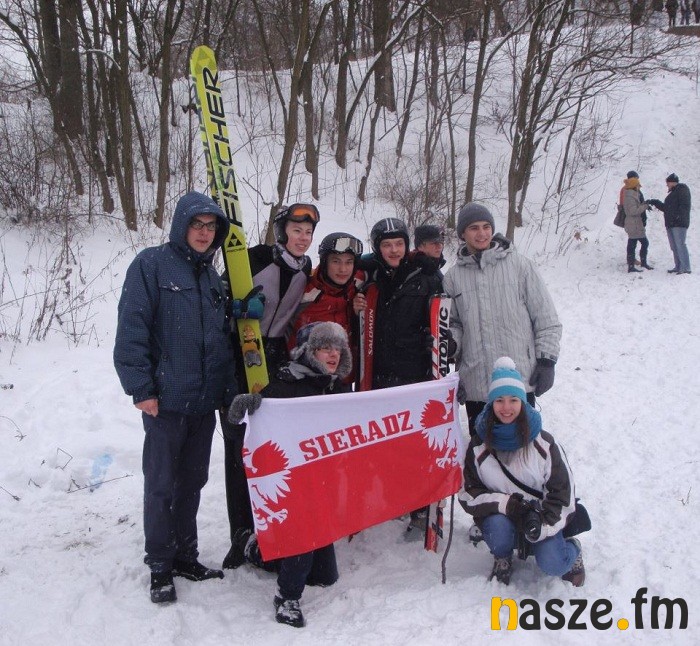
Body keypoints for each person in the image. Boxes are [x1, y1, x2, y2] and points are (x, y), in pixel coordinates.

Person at [113, 191, 236, 604]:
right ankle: (160, 565)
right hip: (165, 401)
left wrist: (225, 390)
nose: (204, 233)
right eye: (197, 225)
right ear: (181, 225)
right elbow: (132, 327)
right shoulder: (151, 264)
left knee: (193, 483)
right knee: (161, 485)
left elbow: (217, 340)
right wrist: (141, 388)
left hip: (203, 403)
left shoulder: (211, 278)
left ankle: (185, 555)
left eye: (211, 227)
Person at [227, 321, 352, 627]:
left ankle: (255, 548)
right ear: (309, 352)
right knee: (304, 531)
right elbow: (249, 436)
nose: (333, 354)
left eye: (337, 348)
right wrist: (240, 414)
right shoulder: (285, 384)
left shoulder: (337, 388)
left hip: (321, 486)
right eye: (325, 348)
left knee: (324, 576)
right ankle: (287, 597)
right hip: (293, 489)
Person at [222, 203, 318, 569]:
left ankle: (269, 528)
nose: (302, 238)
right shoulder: (254, 258)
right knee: (238, 448)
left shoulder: (305, 268)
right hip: (239, 354)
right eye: (296, 231)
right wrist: (235, 309)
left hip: (274, 359)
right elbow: (217, 297)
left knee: (268, 448)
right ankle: (240, 534)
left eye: (308, 233)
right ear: (282, 232)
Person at [459, 357, 585, 587]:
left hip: (542, 517)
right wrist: (507, 505)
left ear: (523, 402)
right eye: (499, 400)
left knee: (552, 563)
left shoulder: (544, 444)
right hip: (503, 516)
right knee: (497, 530)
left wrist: (542, 524)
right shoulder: (478, 446)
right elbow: (469, 493)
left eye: (513, 400)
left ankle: (572, 551)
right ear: (491, 403)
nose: (506, 408)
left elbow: (562, 494)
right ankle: (502, 556)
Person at [443, 203, 562, 437]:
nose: (482, 233)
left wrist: (547, 361)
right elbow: (454, 324)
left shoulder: (520, 266)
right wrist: (452, 343)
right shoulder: (453, 278)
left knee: (521, 445)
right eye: (474, 228)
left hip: (517, 378)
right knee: (482, 448)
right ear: (462, 234)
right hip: (477, 382)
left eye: (486, 226)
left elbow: (545, 316)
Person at [354, 217, 443, 391]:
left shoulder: (427, 277)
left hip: (415, 379)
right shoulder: (368, 278)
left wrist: (441, 342)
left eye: (399, 244)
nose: (394, 250)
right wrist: (355, 312)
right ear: (377, 248)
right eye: (387, 245)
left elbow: (444, 321)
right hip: (376, 379)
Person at [287, 232, 364, 382]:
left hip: (341, 384)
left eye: (349, 262)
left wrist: (356, 316)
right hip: (303, 383)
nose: (343, 269)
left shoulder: (356, 288)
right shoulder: (303, 292)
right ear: (324, 262)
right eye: (336, 261)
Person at [647, 173, 692, 274]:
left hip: (679, 223)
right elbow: (667, 208)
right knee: (674, 246)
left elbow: (684, 206)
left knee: (680, 245)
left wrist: (678, 217)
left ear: (672, 182)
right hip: (671, 223)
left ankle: (685, 268)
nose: (667, 185)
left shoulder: (682, 190)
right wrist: (655, 202)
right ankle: (678, 266)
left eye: (667, 183)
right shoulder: (672, 194)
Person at [620, 171, 653, 273]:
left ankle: (634, 265)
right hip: (633, 223)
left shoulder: (632, 194)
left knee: (634, 243)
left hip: (635, 223)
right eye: (638, 185)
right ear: (634, 186)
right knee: (641, 243)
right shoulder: (630, 196)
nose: (639, 187)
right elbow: (633, 211)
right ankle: (636, 265)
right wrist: (645, 206)